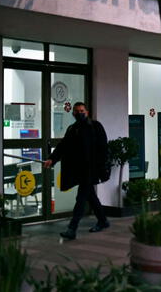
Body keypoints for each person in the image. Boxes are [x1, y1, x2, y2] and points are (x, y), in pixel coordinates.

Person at [43, 102, 109, 240]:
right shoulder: (72, 129)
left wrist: (101, 168)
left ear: (87, 112)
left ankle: (72, 228)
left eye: (82, 110)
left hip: (90, 170)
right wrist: (52, 159)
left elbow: (103, 149)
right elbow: (63, 146)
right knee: (90, 196)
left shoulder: (95, 127)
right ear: (73, 113)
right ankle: (103, 221)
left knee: (81, 198)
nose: (80, 113)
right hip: (79, 170)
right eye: (77, 111)